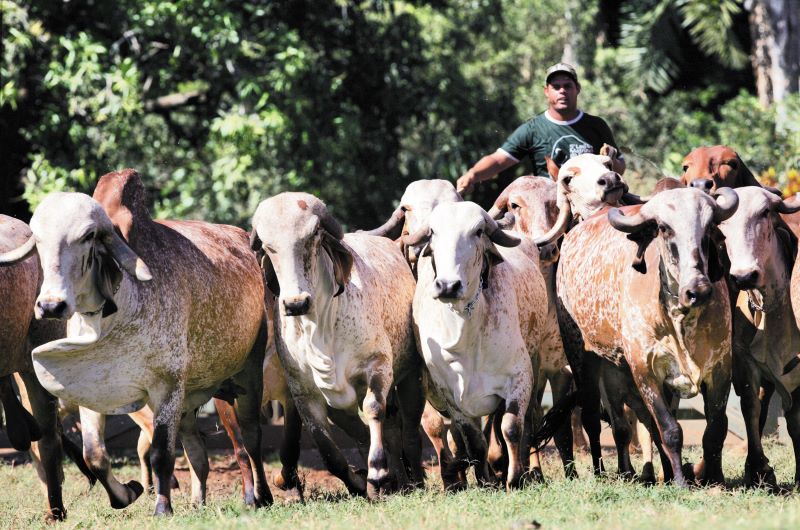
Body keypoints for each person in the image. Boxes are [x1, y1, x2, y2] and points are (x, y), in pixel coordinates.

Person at [456, 63, 626, 194]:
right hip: (549, 202)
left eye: (567, 86)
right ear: (546, 91)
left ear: (577, 89)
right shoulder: (533, 129)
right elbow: (499, 160)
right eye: (556, 87)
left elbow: (620, 168)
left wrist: (611, 160)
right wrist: (473, 174)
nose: (562, 91)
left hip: (592, 200)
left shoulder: (596, 125)